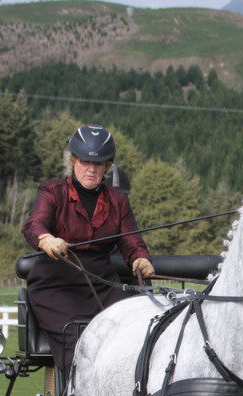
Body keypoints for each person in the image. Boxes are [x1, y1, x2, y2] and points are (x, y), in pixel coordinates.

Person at [22, 123, 155, 377]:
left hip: (101, 284)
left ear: (107, 167)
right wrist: (46, 239)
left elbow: (132, 242)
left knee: (131, 331)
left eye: (99, 164)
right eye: (85, 162)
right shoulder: (52, 192)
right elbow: (34, 224)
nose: (91, 170)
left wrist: (140, 259)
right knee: (79, 338)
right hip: (56, 284)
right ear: (73, 161)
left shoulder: (118, 201)